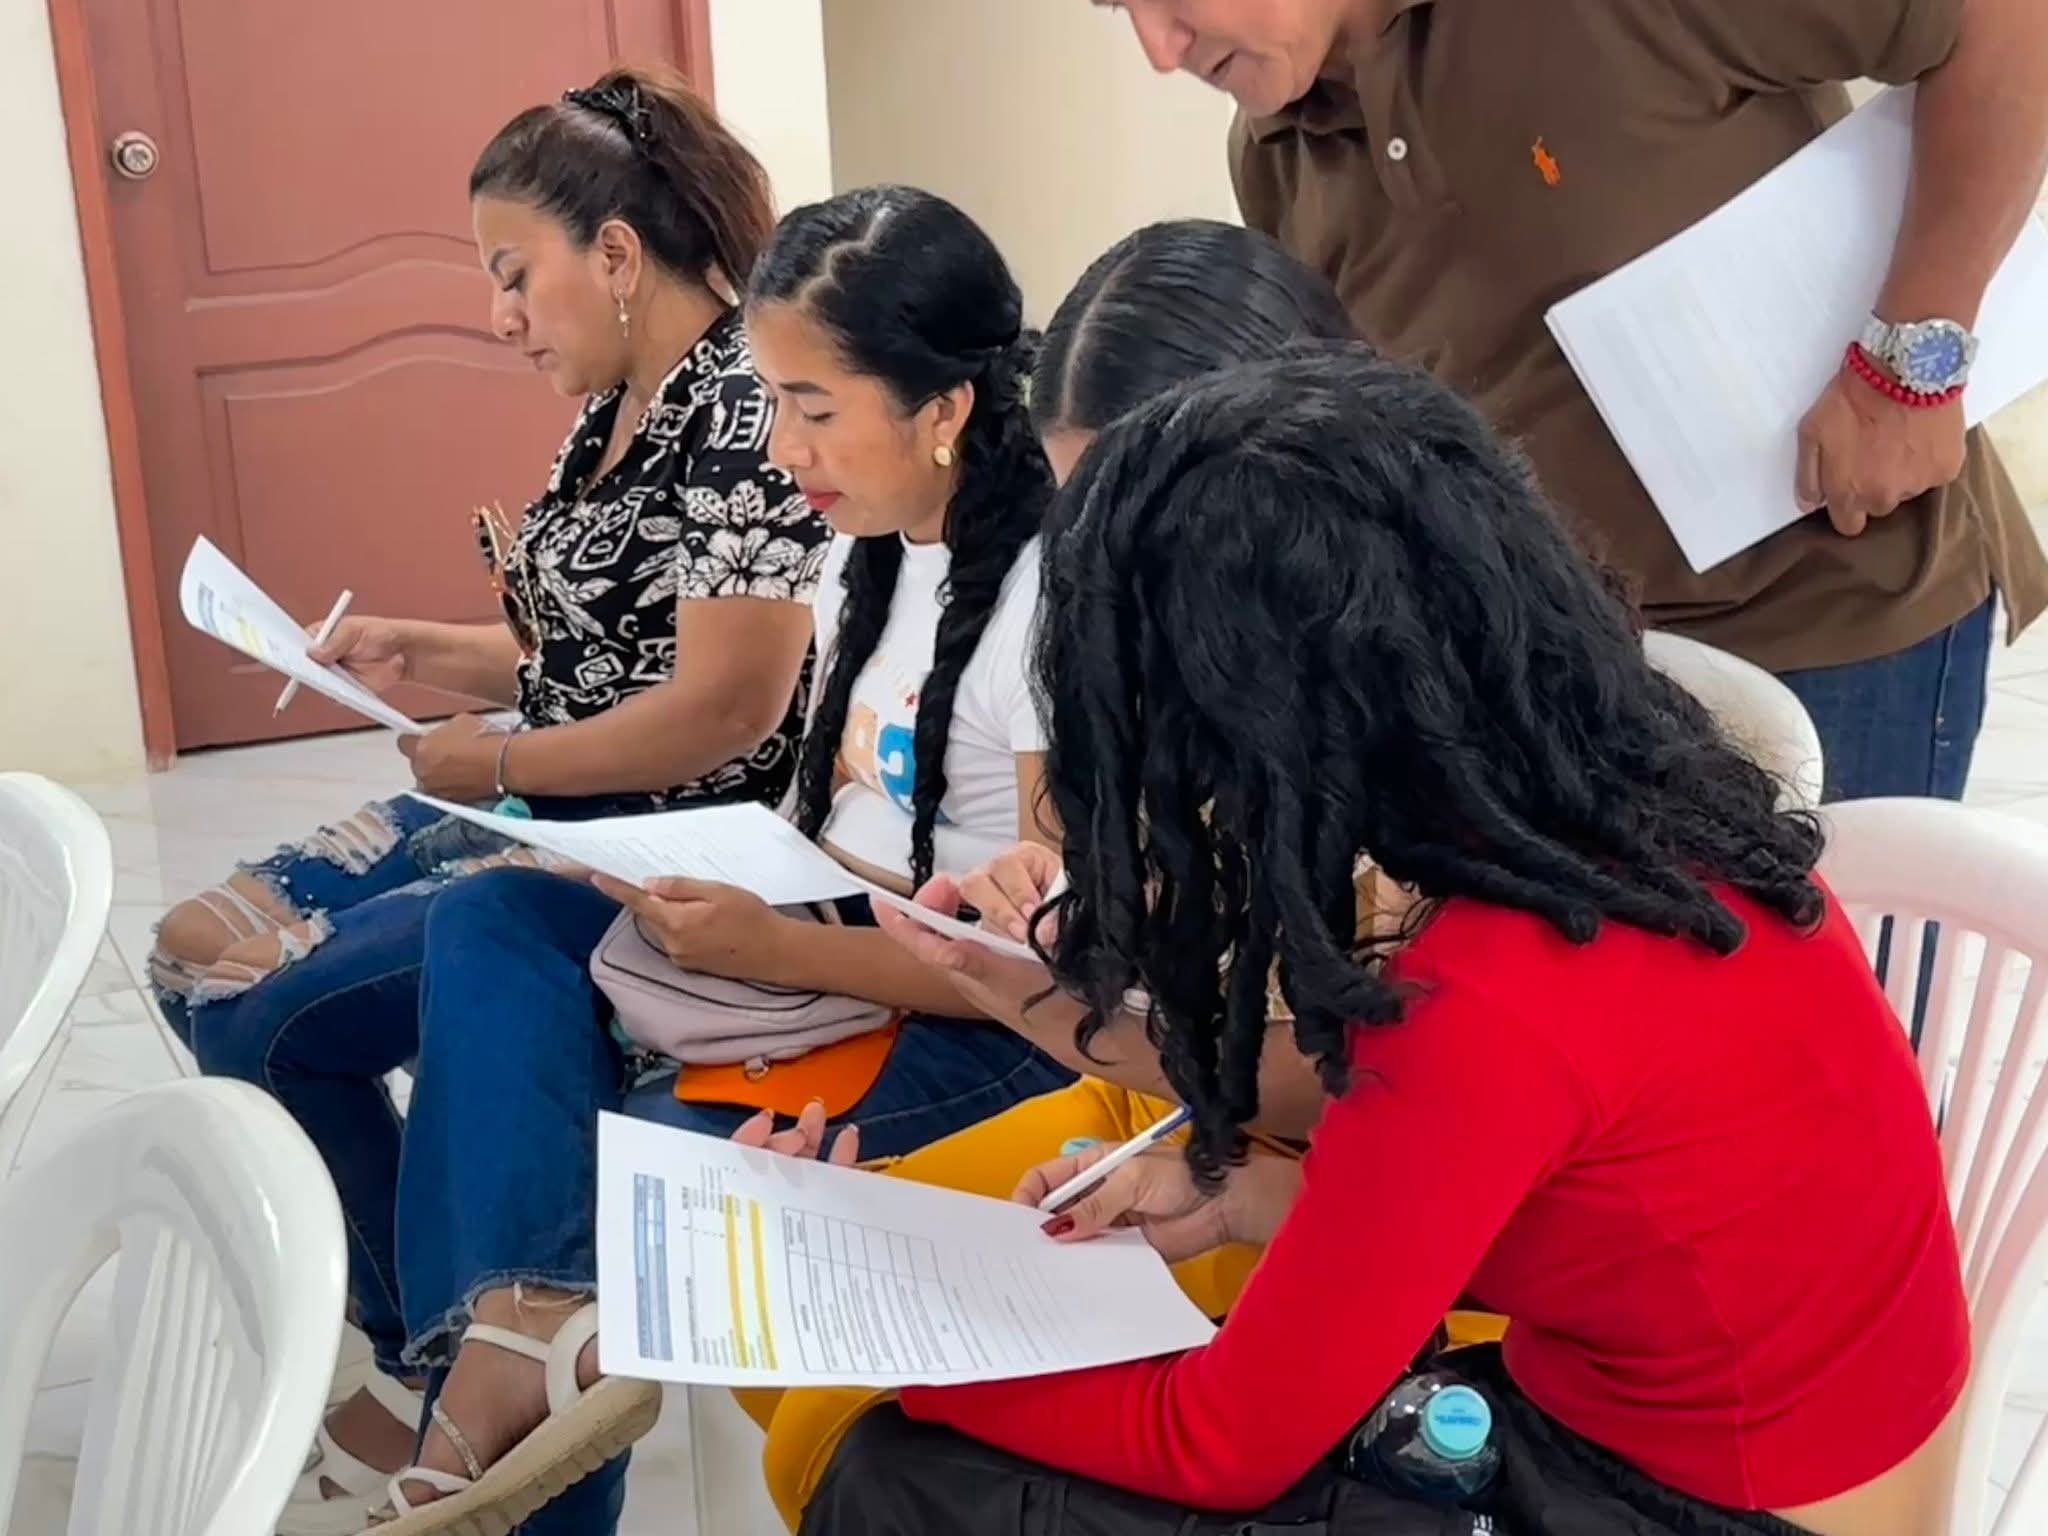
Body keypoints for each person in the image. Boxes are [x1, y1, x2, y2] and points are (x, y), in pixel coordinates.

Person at [799, 347, 1969, 1536]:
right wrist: (1252, 1196)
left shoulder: (1489, 991)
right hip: (1787, 1446)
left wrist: (888, 1349)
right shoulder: (1645, 820)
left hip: (1699, 1501)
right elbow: (1600, 1202)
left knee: (894, 1472)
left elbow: (1213, 1444)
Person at [148, 68, 835, 1535]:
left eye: (516, 276)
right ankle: (429, 1358)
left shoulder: (741, 413)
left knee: (273, 1012)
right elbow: (591, 649)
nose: (502, 315)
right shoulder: (612, 412)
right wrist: (429, 652)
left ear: (616, 254)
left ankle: (467, 1375)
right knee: (200, 959)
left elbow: (724, 705)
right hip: (550, 796)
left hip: (640, 835)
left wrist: (505, 763)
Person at [339, 186, 1076, 1536]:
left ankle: (506, 1382)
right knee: (490, 924)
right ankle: (517, 1337)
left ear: (944, 409)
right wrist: (674, 874)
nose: (784, 450)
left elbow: (1052, 978)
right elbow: (835, 823)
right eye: (774, 403)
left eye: (814, 409)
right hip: (817, 943)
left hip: (962, 1025)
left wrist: (773, 943)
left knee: (634, 1191)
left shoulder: (1042, 601)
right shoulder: (869, 549)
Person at [1100, 0, 2048, 803]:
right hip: (1573, 685)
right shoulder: (1272, 156)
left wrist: (1910, 366)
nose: (1157, 49)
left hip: (1841, 625)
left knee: (1839, 975)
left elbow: (2005, 22)